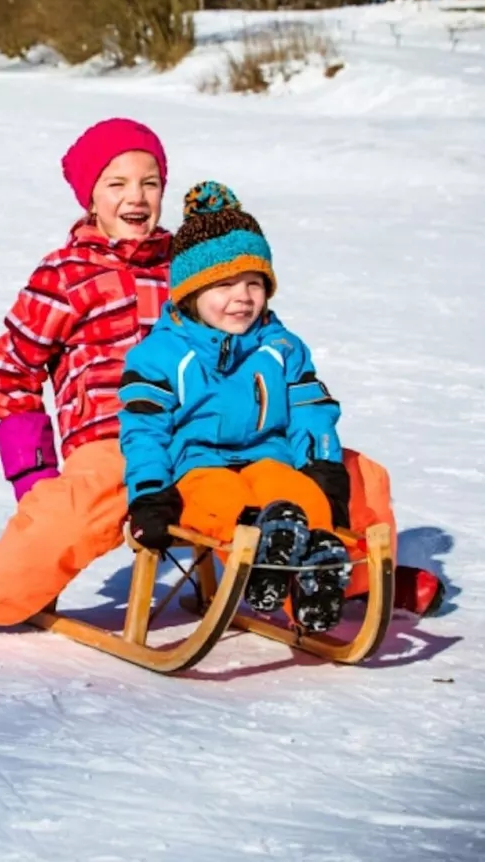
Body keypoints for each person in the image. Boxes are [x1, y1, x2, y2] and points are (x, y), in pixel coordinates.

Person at [0, 118, 174, 635]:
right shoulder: (65, 274)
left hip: (197, 433)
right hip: (112, 441)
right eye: (117, 183)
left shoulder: (189, 270)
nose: (137, 197)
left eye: (150, 182)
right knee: (71, 516)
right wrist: (34, 475)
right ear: (91, 198)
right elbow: (14, 368)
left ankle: (341, 579)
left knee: (308, 474)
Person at [118, 182, 352, 633]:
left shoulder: (282, 346)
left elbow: (311, 408)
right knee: (221, 499)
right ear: (190, 293)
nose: (242, 297)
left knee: (299, 496)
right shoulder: (159, 355)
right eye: (224, 285)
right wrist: (149, 492)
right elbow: (143, 429)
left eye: (254, 283)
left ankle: (315, 569)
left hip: (269, 457)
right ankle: (263, 551)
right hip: (197, 465)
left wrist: (324, 467)